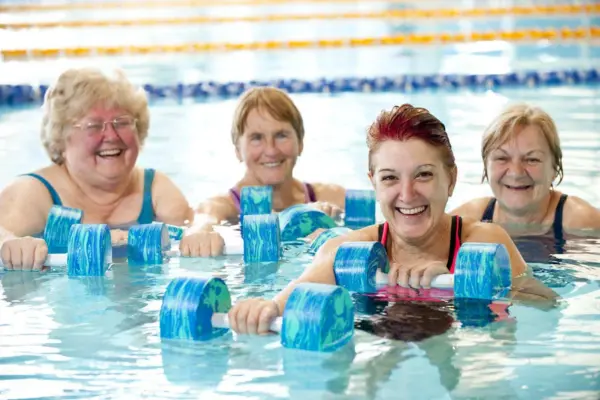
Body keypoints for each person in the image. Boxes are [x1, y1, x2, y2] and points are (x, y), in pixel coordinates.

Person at [226, 103, 558, 335]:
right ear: (373, 183)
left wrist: (457, 292)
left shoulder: (485, 243)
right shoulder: (346, 252)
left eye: (424, 175)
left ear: (451, 179)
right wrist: (257, 312)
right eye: (390, 178)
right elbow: (285, 305)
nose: (407, 193)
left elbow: (546, 306)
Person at [0, 67, 207, 270]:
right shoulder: (33, 192)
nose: (111, 136)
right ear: (61, 138)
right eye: (93, 125)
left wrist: (201, 229)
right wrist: (10, 245)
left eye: (122, 123)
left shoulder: (153, 188)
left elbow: (196, 227)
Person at [195, 86, 347, 254]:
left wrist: (332, 222)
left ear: (301, 142)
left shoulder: (334, 199)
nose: (271, 151)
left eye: (281, 135)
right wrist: (202, 231)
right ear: (238, 149)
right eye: (257, 138)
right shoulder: (223, 208)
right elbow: (202, 223)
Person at [450, 103, 600, 261]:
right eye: (502, 158)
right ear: (486, 166)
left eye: (532, 159)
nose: (516, 172)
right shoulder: (465, 222)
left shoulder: (582, 222)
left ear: (555, 168)